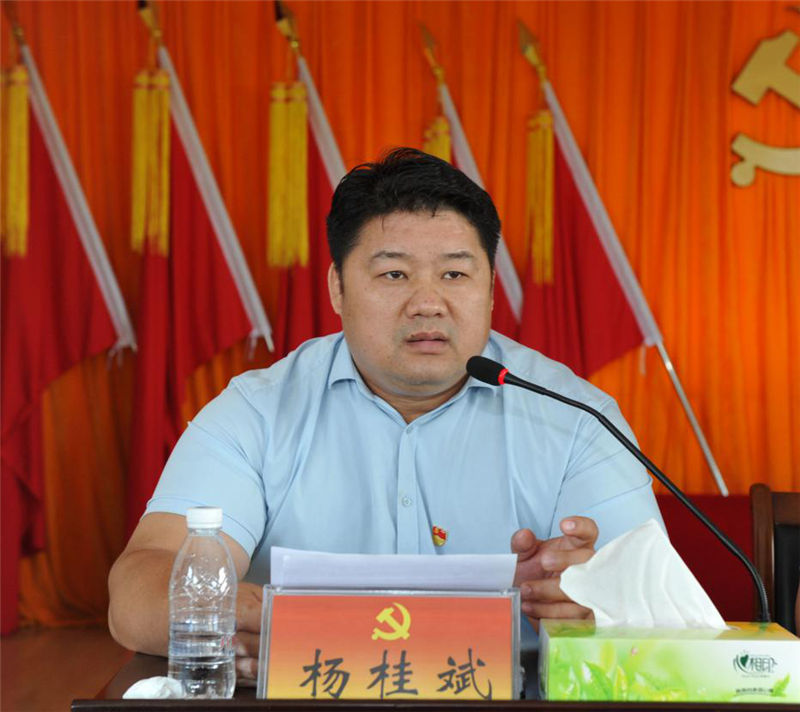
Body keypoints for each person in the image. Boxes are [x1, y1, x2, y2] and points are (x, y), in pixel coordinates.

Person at [108, 148, 663, 683]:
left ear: (492, 290)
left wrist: (597, 603)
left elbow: (661, 611)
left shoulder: (577, 418)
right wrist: (243, 615)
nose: (428, 303)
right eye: (395, 275)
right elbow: (137, 594)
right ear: (338, 288)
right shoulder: (256, 413)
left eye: (455, 275)